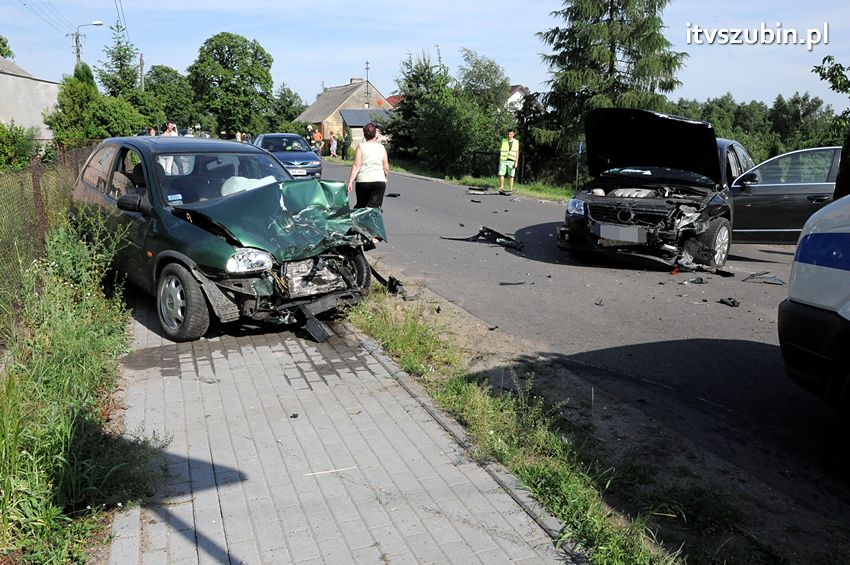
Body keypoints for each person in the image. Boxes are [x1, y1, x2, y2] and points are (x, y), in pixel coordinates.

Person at [346, 122, 389, 209]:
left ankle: (359, 221)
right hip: (379, 181)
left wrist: (350, 181)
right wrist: (383, 175)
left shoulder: (361, 146)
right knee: (374, 208)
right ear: (375, 134)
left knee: (361, 206)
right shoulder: (381, 148)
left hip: (363, 181)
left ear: (364, 134)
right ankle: (373, 221)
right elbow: (386, 167)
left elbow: (357, 165)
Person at [497, 128, 520, 195]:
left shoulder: (516, 142)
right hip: (503, 160)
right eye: (508, 134)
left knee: (511, 175)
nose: (509, 135)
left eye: (511, 134)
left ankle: (511, 188)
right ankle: (501, 187)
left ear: (513, 134)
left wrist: (516, 162)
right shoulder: (504, 141)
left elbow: (517, 152)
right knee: (501, 174)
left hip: (512, 160)